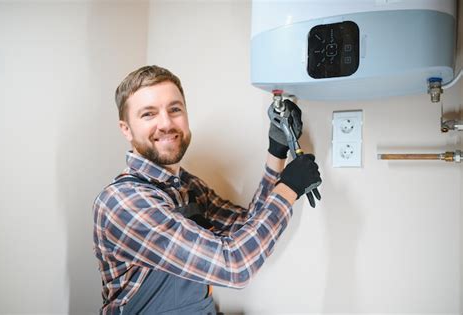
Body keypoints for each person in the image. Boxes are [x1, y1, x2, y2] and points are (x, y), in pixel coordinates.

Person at [92, 65, 322, 315]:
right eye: (149, 114)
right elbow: (235, 265)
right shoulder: (124, 203)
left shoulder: (185, 185)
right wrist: (287, 190)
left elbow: (247, 226)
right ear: (126, 129)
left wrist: (276, 150)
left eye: (175, 109)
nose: (166, 123)